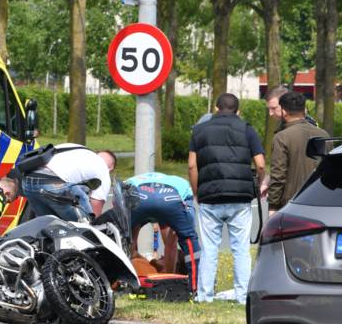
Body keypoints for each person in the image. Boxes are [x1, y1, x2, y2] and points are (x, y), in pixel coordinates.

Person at [189, 93, 266, 304]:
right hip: (240, 197)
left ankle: (205, 296)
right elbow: (260, 164)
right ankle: (242, 297)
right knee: (241, 249)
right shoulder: (247, 129)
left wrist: (197, 192)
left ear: (215, 108)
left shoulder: (199, 130)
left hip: (210, 195)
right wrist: (259, 184)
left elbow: (192, 165)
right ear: (238, 111)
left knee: (209, 249)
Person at [123, 171, 201, 292]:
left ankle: (123, 282)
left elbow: (130, 246)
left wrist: (144, 258)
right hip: (170, 199)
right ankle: (188, 285)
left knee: (125, 239)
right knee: (188, 239)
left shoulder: (130, 181)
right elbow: (171, 244)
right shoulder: (180, 182)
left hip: (138, 195)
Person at [0, 145, 115, 221]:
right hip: (52, 184)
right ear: (111, 168)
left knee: (47, 225)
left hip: (29, 181)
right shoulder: (103, 170)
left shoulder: (78, 149)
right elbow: (96, 206)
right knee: (86, 222)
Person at [267, 90, 329, 213]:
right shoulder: (324, 135)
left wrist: (273, 205)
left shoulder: (282, 137)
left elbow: (278, 175)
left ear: (284, 112)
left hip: (291, 204)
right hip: (319, 201)